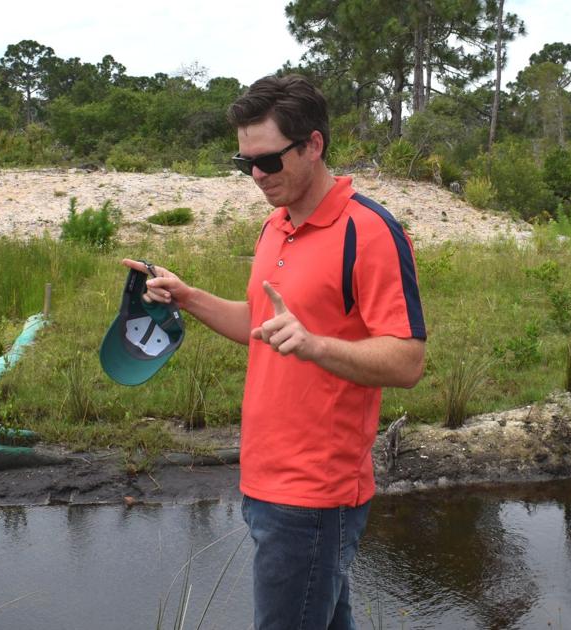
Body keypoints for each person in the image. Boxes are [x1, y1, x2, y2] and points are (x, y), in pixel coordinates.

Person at [123, 74, 427, 629]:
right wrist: (187, 296)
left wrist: (315, 345)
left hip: (317, 490)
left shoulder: (370, 231)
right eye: (246, 164)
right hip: (264, 474)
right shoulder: (274, 225)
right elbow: (262, 326)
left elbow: (407, 361)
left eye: (268, 161)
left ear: (314, 145)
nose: (257, 176)